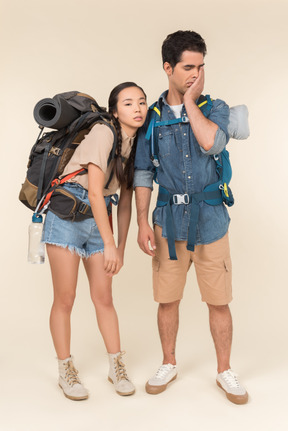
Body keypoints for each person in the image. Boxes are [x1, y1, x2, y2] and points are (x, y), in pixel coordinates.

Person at [134, 31, 249, 404]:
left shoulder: (216, 108)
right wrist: (140, 222)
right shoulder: (150, 119)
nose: (196, 74)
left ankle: (224, 370)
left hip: (212, 222)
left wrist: (188, 100)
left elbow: (211, 142)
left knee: (219, 301)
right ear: (167, 67)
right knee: (167, 301)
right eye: (187, 68)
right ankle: (169, 362)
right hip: (167, 223)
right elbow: (142, 175)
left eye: (200, 67)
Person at [42, 82, 148, 400]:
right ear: (115, 111)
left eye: (142, 102)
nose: (138, 108)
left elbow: (125, 201)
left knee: (104, 298)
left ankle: (116, 366)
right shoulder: (104, 132)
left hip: (100, 217)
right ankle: (66, 371)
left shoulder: (136, 145)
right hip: (67, 214)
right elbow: (92, 190)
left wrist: (121, 247)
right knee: (66, 298)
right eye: (129, 103)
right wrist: (110, 242)